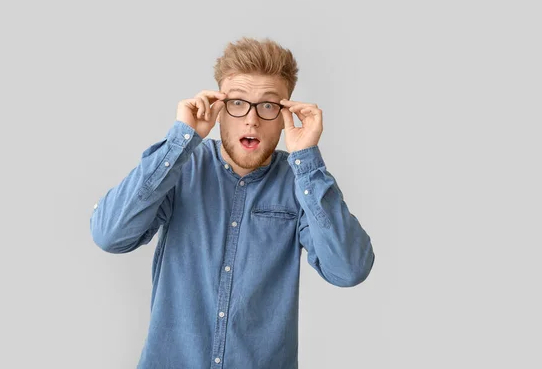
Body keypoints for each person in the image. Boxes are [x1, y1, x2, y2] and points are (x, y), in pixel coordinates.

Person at [90, 37, 375, 369]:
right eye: (238, 103)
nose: (251, 120)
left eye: (268, 105)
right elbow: (109, 235)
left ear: (286, 114)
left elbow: (349, 270)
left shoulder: (300, 184)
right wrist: (180, 138)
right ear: (219, 109)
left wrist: (307, 161)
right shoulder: (182, 169)